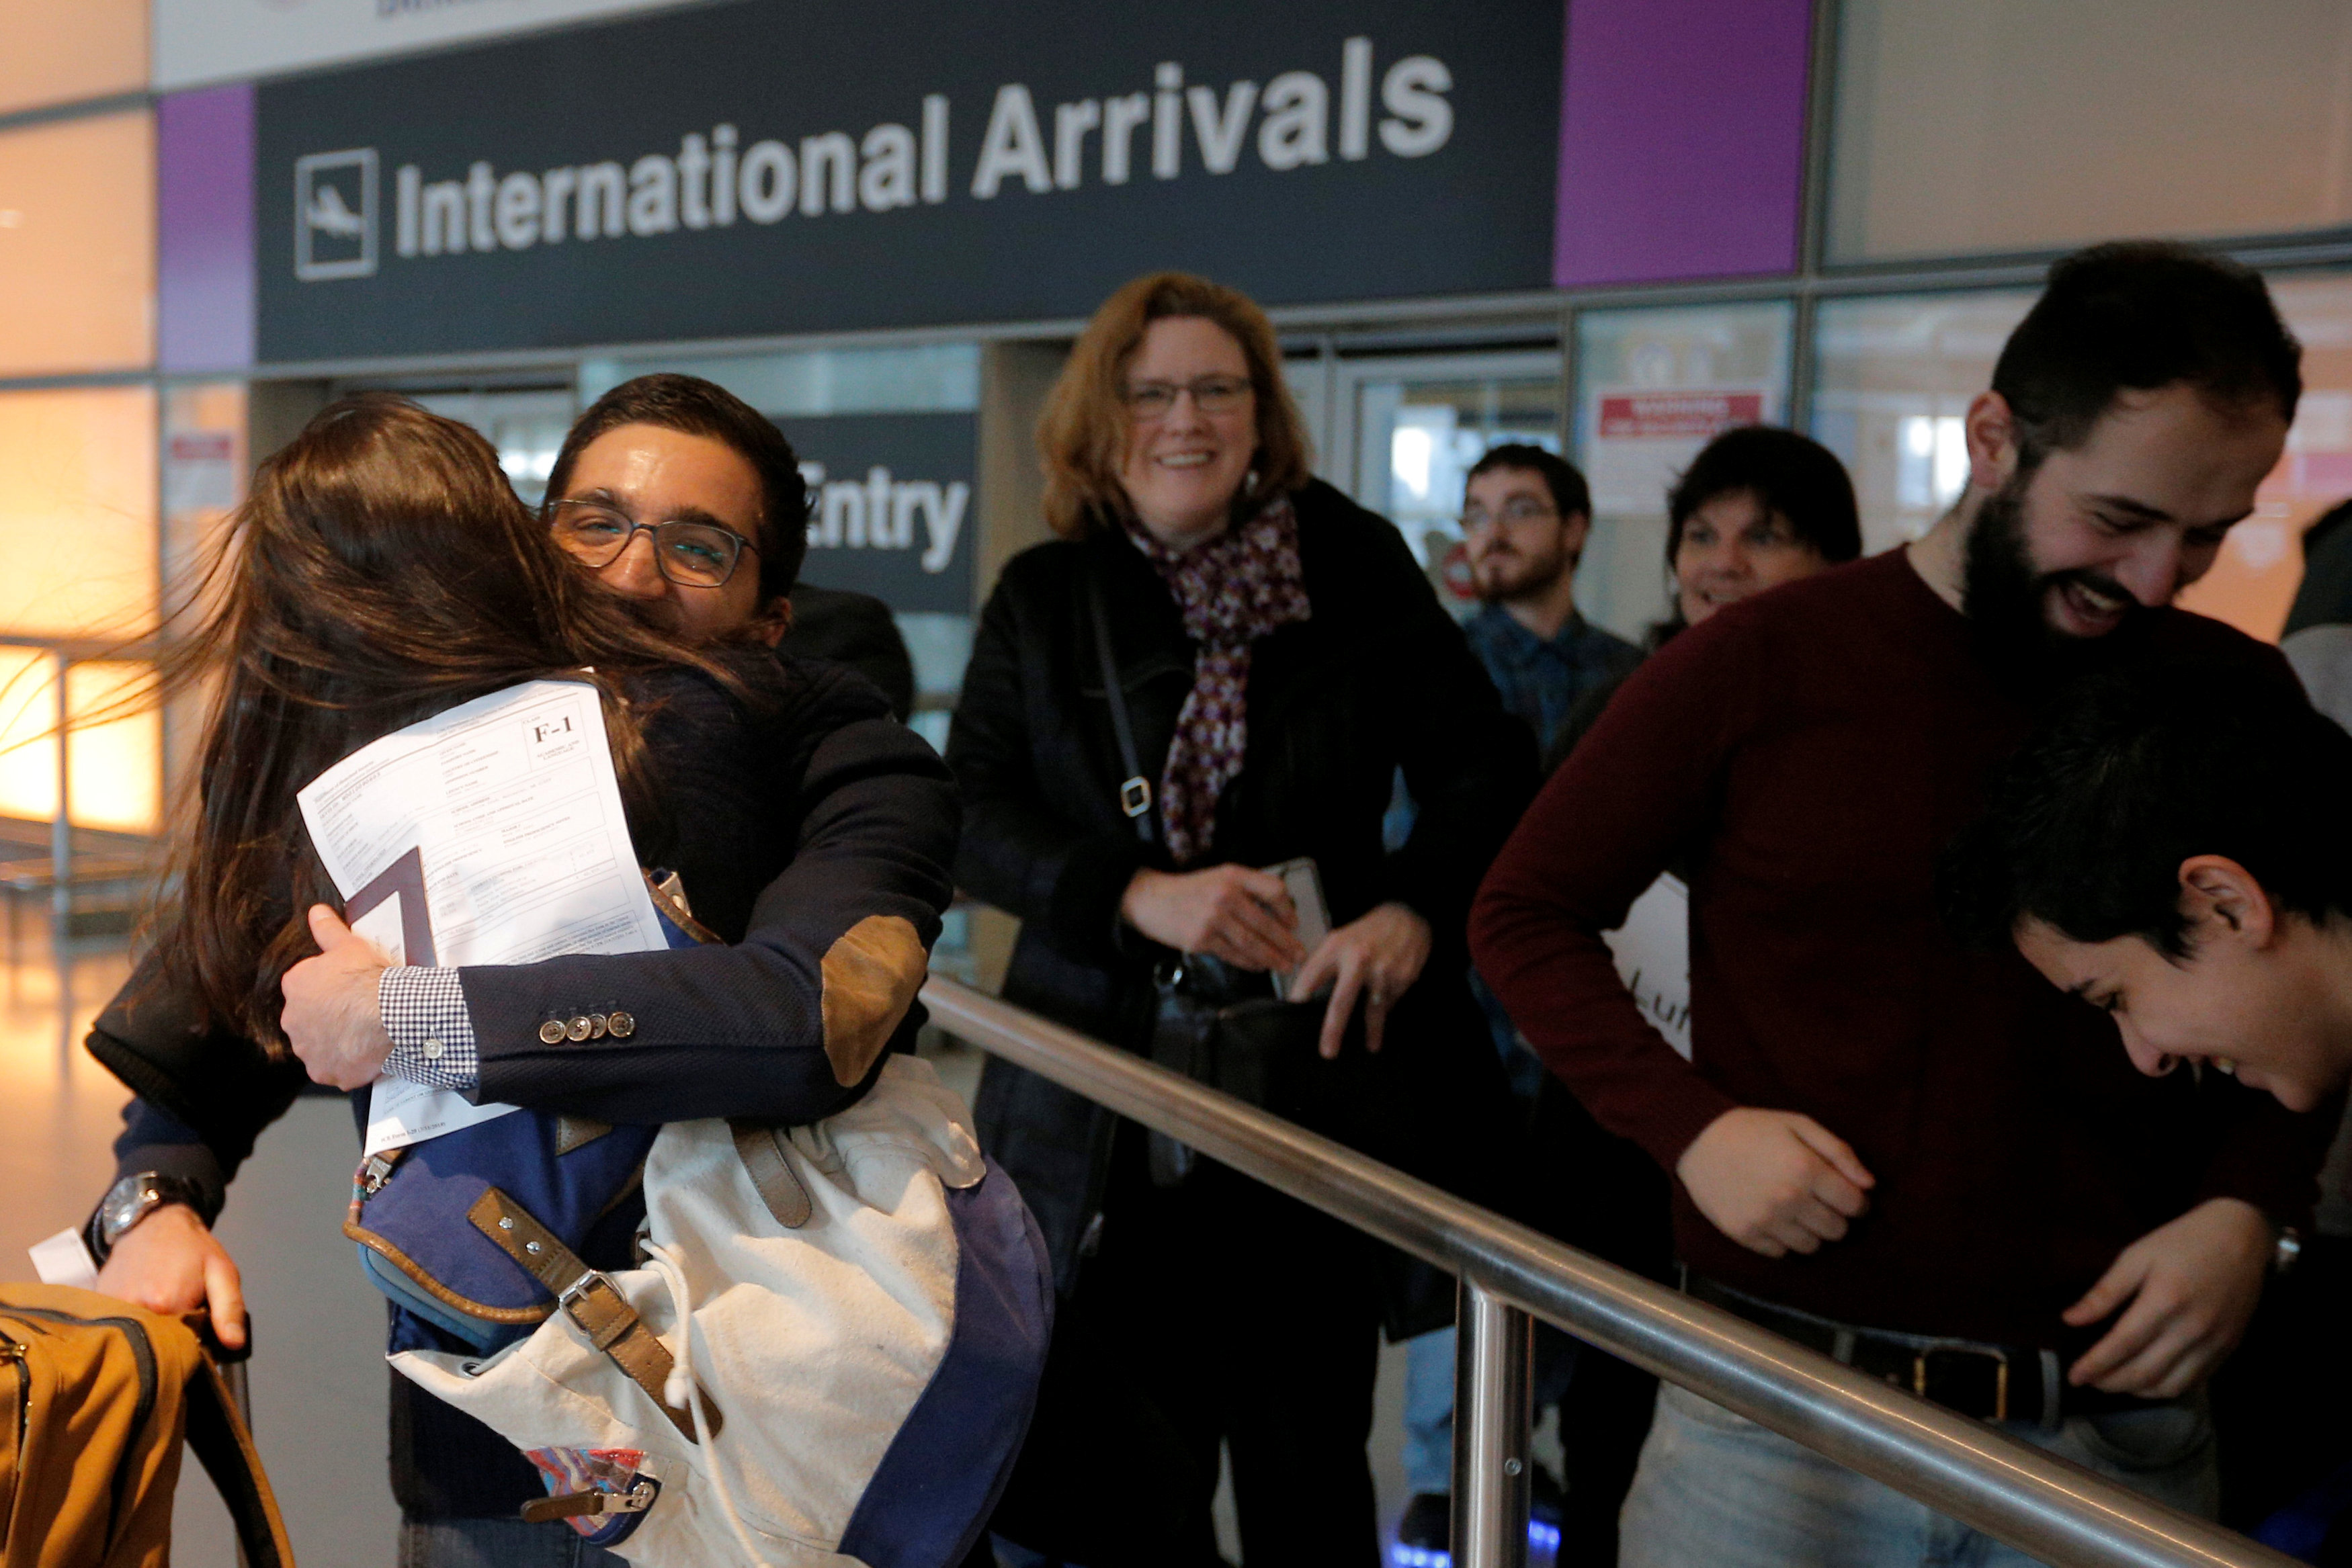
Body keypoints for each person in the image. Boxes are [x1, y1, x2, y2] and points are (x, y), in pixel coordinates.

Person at [1470, 241, 2333, 1568]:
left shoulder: (2226, 686)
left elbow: (2316, 972)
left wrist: (2250, 1210)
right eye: (2115, 519)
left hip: (2118, 1431)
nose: (2158, 580)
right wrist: (1690, 1130)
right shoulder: (1759, 660)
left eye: (2208, 535)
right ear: (1992, 439)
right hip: (1774, 1418)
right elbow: (1523, 909)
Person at [86, 387, 961, 1566]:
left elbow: (805, 1017)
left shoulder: (833, 744)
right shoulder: (418, 746)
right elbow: (206, 1015)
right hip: (487, 1434)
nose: (631, 571)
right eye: (593, 520)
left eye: (699, 543)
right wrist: (154, 1198)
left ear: (770, 615)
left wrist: (417, 1015)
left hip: (774, 1419)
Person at [948, 271, 1534, 1567]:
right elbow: (969, 809)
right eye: (1150, 391)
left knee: (1308, 1471)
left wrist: (1410, 910)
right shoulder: (1049, 591)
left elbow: (1485, 764)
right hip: (1097, 1103)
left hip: (1305, 1095)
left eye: (1219, 388)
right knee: (1114, 1482)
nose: (1186, 418)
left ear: (1263, 417)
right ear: (1103, 421)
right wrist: (1135, 892)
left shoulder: (1354, 562)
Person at [1457, 443, 1642, 756]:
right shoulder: (1441, 666)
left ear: (1573, 530)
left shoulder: (1630, 672)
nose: (1494, 533)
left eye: (1521, 511)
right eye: (1477, 515)